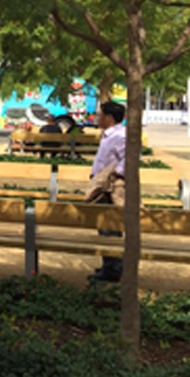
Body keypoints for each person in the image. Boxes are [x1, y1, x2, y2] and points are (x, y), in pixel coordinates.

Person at [87, 101, 127, 283]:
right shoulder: (109, 134)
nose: (97, 117)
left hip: (109, 188)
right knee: (105, 228)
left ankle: (113, 270)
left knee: (109, 228)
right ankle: (110, 265)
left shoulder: (120, 135)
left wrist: (113, 175)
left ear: (109, 118)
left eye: (100, 114)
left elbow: (128, 160)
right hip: (101, 185)